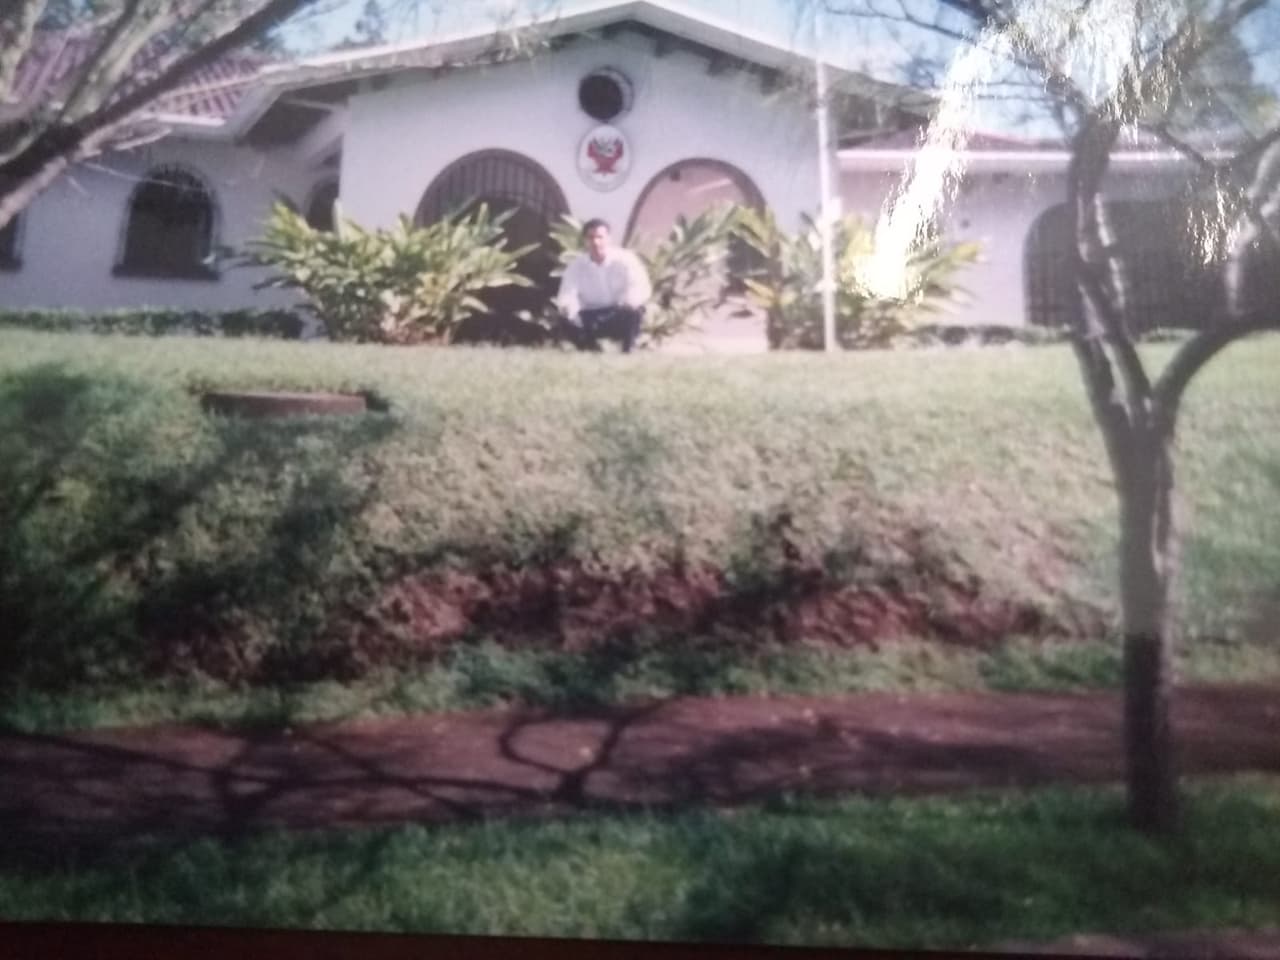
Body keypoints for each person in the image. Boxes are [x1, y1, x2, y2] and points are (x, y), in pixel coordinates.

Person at [555, 218, 652, 353]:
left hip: (618, 313)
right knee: (564, 320)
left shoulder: (626, 260)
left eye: (600, 237)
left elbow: (639, 286)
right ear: (584, 241)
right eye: (591, 238)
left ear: (609, 239)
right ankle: (591, 350)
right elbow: (567, 293)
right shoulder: (576, 266)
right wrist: (567, 308)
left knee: (635, 311)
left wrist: (631, 301)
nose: (596, 242)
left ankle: (628, 351)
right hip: (590, 314)